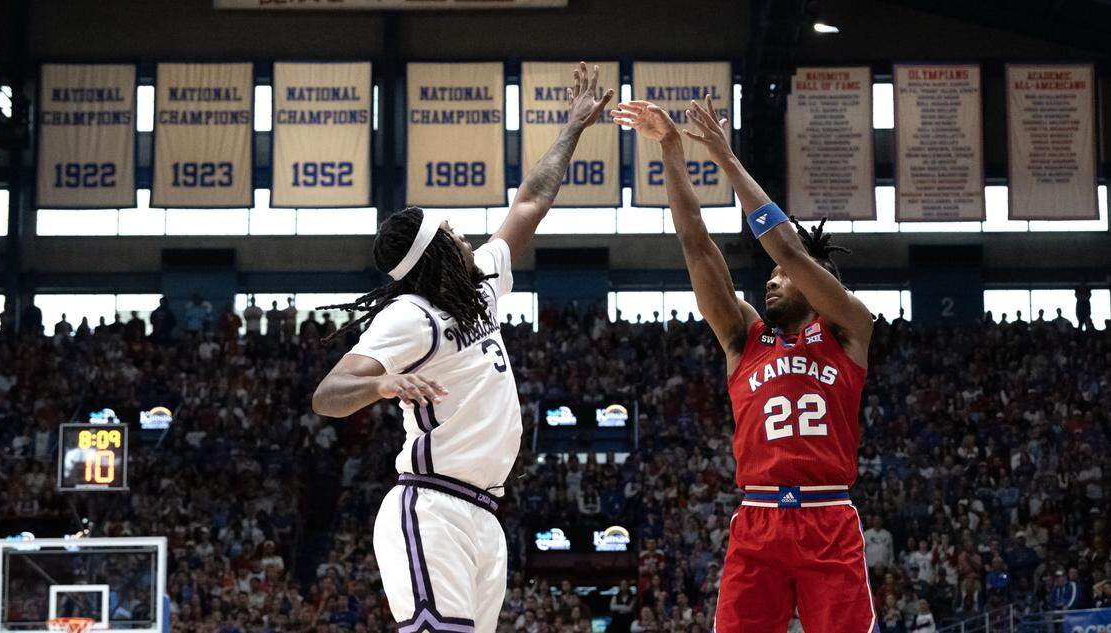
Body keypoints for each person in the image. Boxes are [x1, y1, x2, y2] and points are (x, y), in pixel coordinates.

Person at [312, 62, 612, 633]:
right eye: (449, 232)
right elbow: (327, 396)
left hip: (484, 512)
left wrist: (572, 128)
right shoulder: (411, 317)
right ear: (436, 253)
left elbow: (531, 201)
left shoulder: (483, 284)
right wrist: (381, 382)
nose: (462, 234)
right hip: (431, 508)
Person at [615, 95, 875, 633]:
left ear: (816, 283)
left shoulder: (850, 328)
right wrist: (670, 149)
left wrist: (726, 159)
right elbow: (696, 245)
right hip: (756, 518)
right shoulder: (744, 338)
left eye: (782, 279)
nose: (772, 281)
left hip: (827, 517)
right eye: (772, 279)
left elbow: (790, 255)